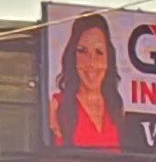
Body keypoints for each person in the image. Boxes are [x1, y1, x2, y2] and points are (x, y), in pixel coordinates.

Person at [49, 14, 122, 151]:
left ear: (109, 59)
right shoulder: (58, 105)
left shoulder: (117, 108)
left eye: (99, 52)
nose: (91, 63)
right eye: (82, 51)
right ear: (72, 56)